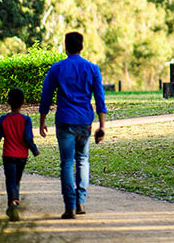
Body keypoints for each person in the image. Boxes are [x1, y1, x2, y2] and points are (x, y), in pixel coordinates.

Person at [39, 31, 107, 220]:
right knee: (83, 160)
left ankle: (69, 205)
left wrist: (42, 120)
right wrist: (102, 125)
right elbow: (100, 98)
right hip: (84, 121)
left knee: (67, 162)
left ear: (66, 46)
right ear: (82, 46)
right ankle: (80, 201)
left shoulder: (57, 68)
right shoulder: (92, 69)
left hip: (65, 120)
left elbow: (46, 96)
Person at [0, 87, 40, 222]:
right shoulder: (26, 120)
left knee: (10, 180)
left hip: (8, 155)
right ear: (23, 102)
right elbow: (28, 138)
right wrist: (34, 149)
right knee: (16, 180)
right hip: (22, 156)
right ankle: (14, 203)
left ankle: (12, 203)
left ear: (8, 102)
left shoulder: (3, 119)